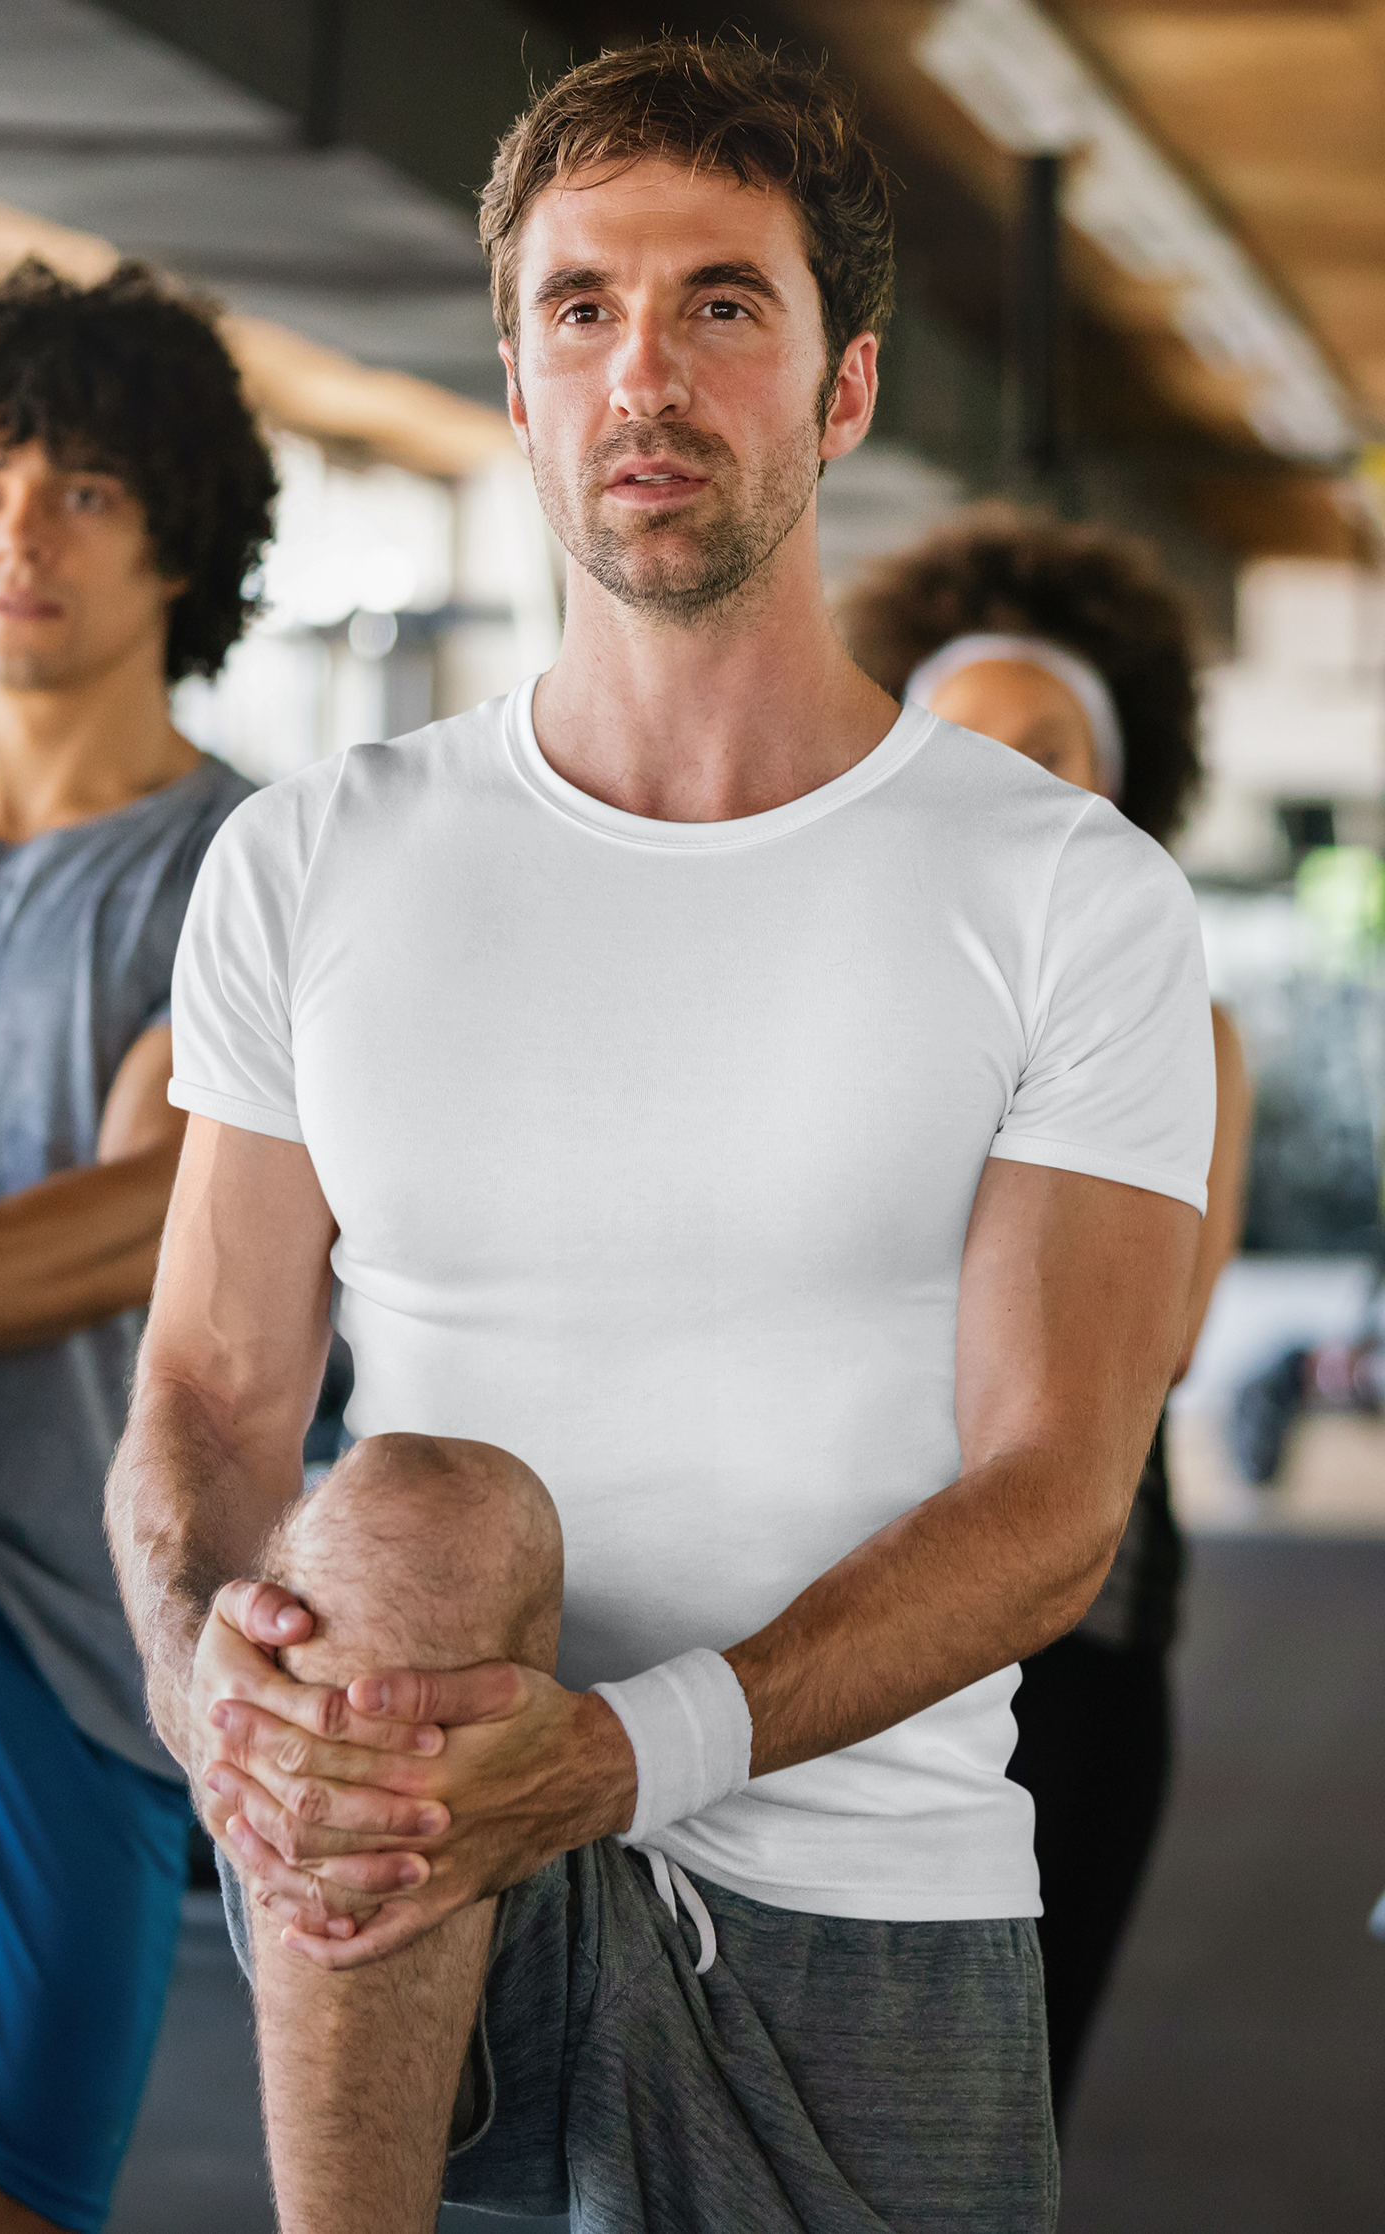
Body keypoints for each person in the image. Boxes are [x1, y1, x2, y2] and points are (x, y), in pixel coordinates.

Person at [107, 40, 1215, 2234]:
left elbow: (1055, 1500)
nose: (647, 372)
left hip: (871, 1892)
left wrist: (625, 1755)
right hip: (431, 1892)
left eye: (724, 303)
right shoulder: (318, 860)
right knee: (408, 1507)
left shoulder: (1064, 889)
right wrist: (196, 1682)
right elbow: (216, 1399)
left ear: (844, 389)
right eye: (583, 309)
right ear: (516, 386)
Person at [836, 504, 1253, 2129]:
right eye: (970, 740)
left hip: (1074, 1644)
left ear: (1118, 783)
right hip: (824, 1615)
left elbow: (1155, 1347)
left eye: (1051, 746)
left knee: (995, 2120)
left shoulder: (1186, 1029)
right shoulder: (829, 996)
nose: (1012, 780)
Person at [0, 261, 272, 2233]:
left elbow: (154, 1209)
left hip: (73, 1618)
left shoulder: (245, 867)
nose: (15, 531)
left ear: (181, 541)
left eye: (80, 489)